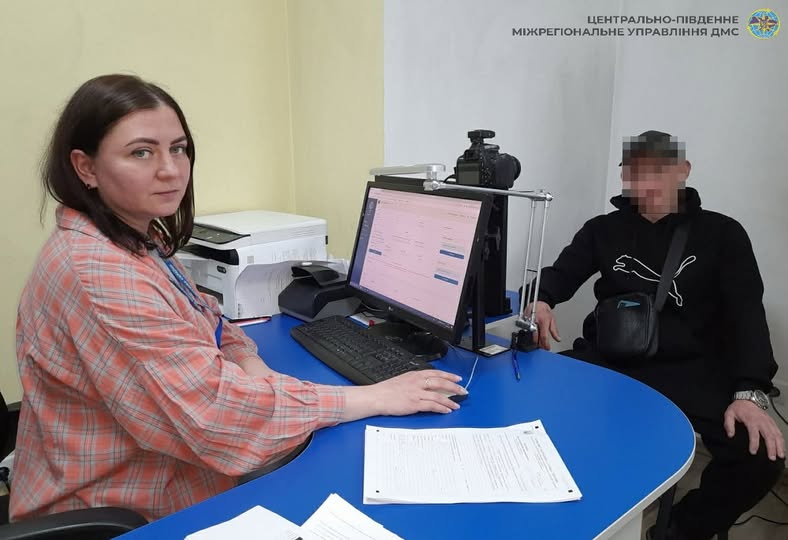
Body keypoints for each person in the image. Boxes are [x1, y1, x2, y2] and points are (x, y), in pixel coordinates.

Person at [11, 74, 467, 523]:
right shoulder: (103, 274)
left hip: (161, 470)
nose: (171, 170)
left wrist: (250, 364)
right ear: (86, 168)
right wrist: (375, 397)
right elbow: (217, 418)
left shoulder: (135, 238)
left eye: (178, 148)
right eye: (141, 152)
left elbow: (207, 316)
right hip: (128, 510)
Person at [525, 130, 785, 540]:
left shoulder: (723, 233)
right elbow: (560, 275)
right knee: (530, 399)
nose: (645, 182)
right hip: (609, 357)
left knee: (760, 456)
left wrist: (750, 392)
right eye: (634, 171)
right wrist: (541, 299)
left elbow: (747, 315)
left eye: (658, 170)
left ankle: (681, 527)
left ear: (683, 170)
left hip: (692, 368)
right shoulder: (602, 229)